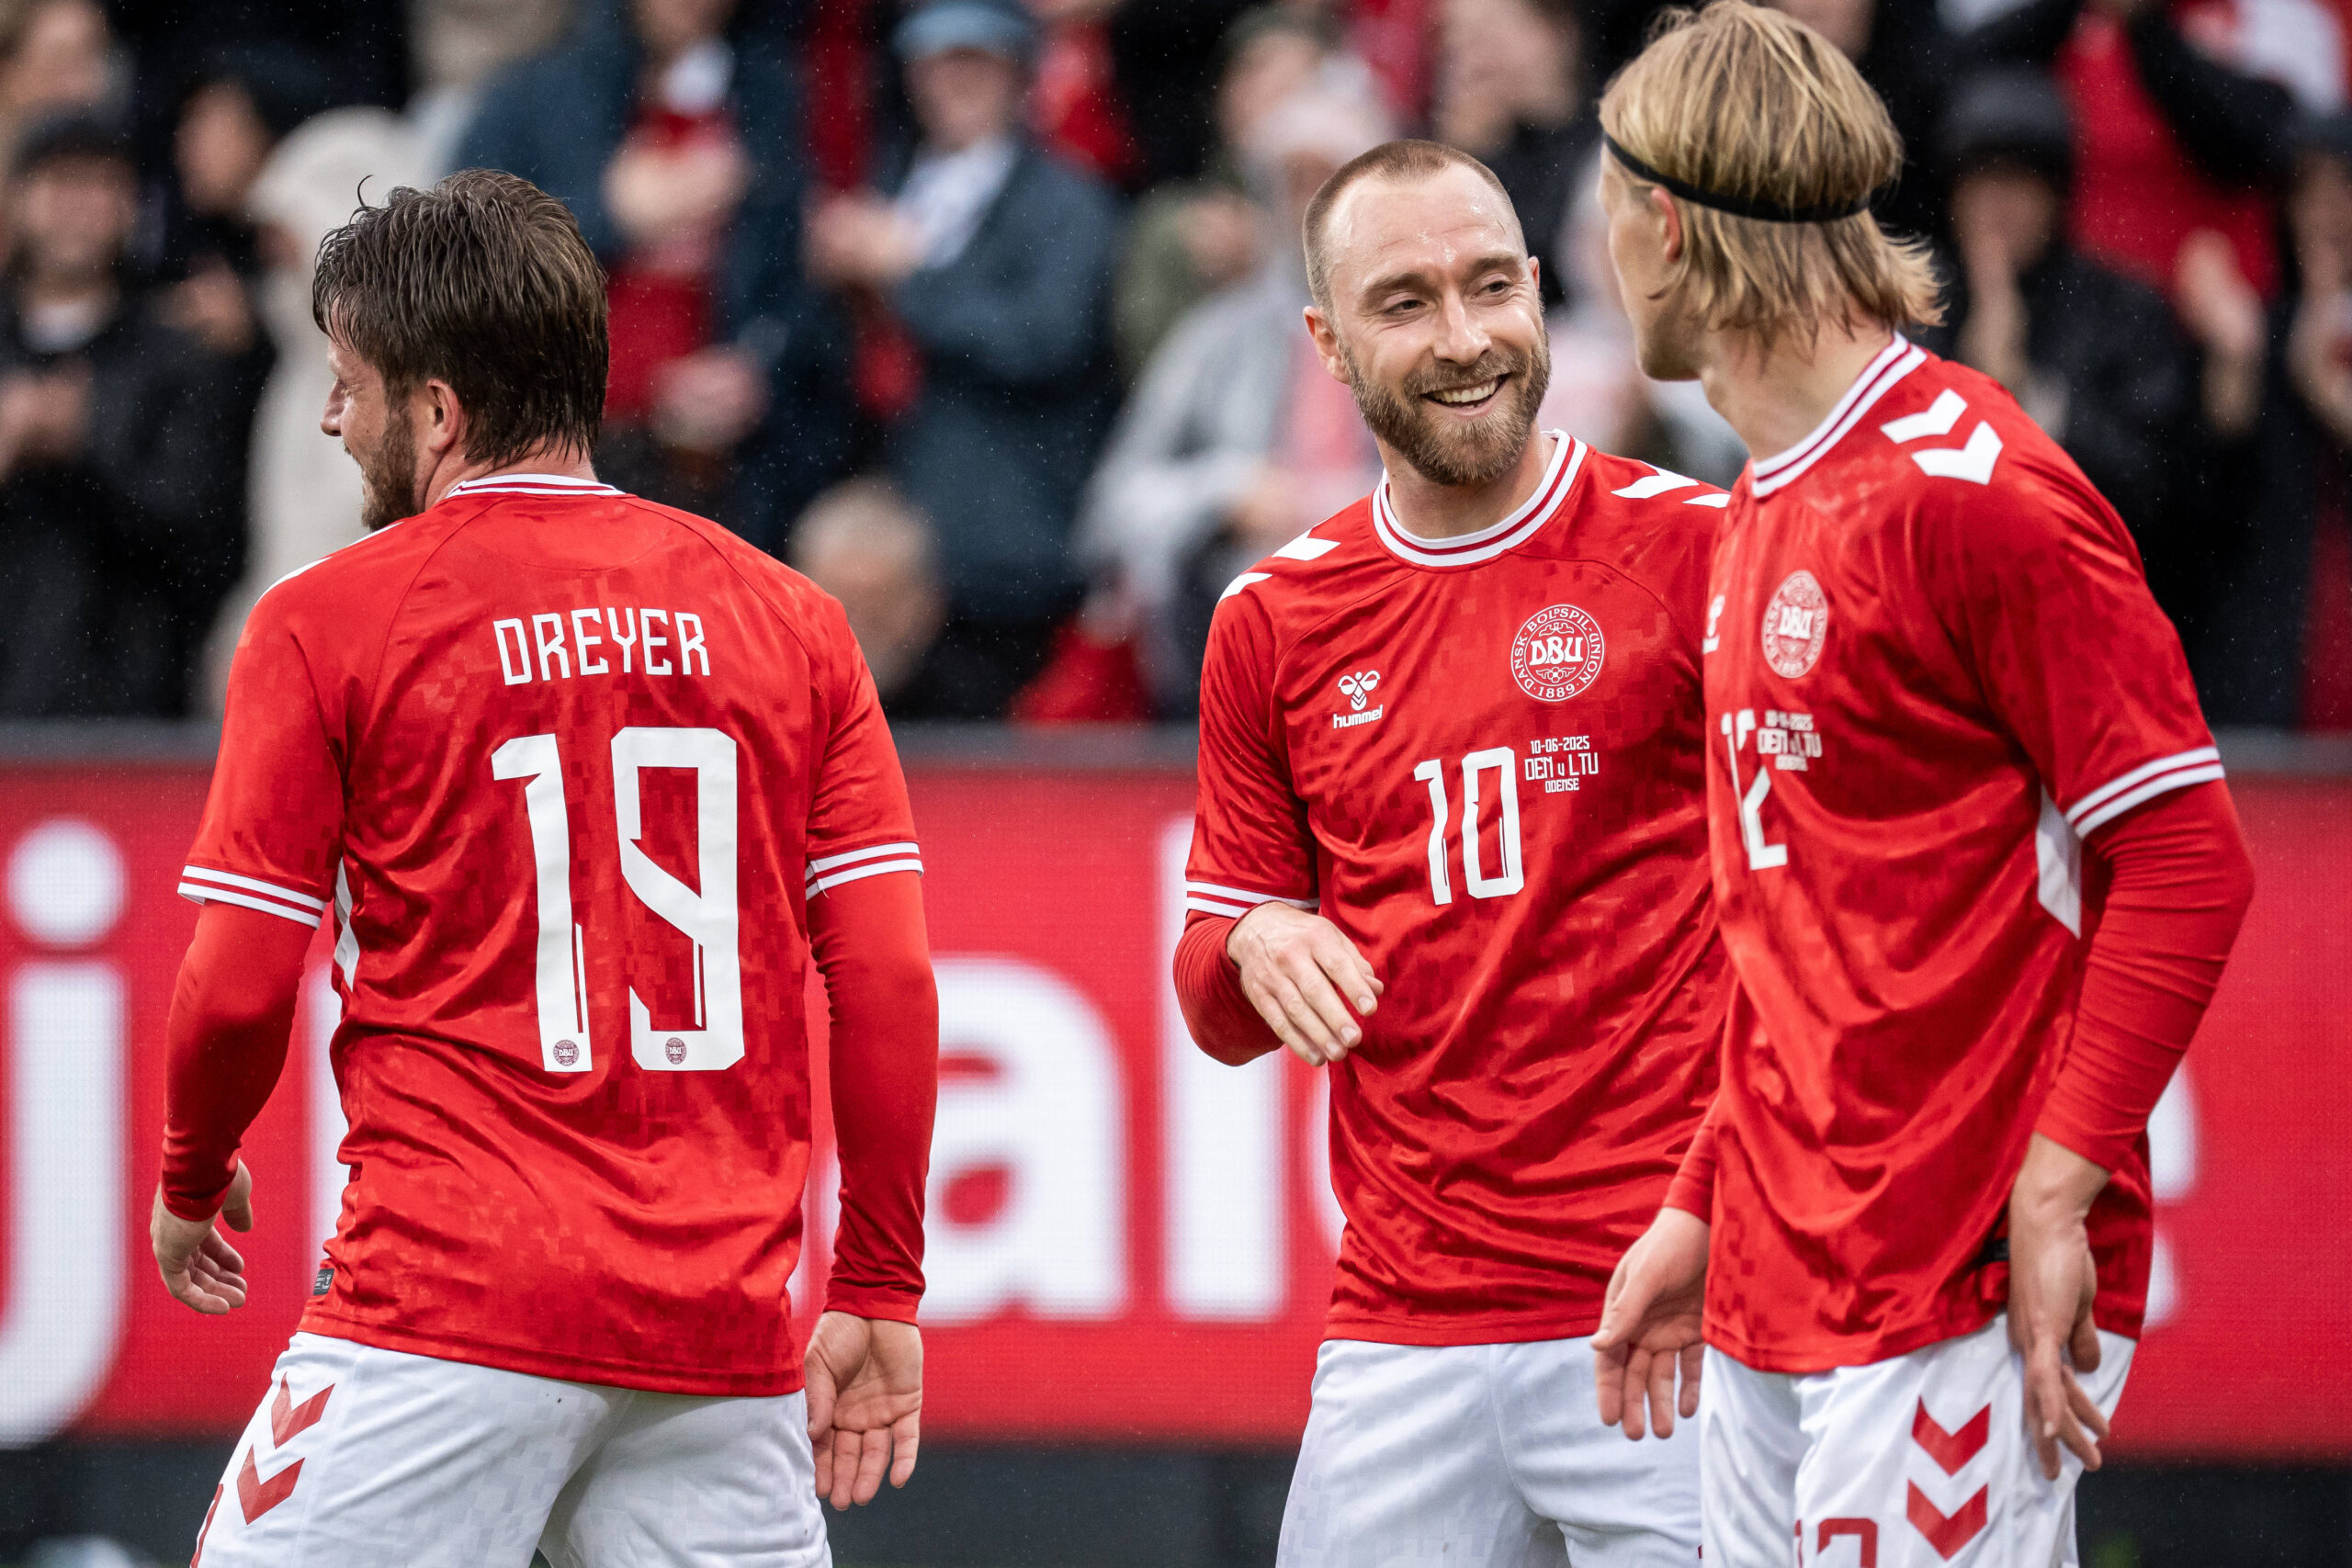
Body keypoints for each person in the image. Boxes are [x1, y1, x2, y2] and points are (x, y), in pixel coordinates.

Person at [152, 170, 939, 1563]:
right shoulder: (798, 621)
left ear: (439, 411)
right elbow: (883, 974)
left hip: (447, 1304)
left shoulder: (326, 620)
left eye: (351, 383)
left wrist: (190, 1162)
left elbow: (235, 982)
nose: (336, 418)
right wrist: (876, 1271)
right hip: (718, 1337)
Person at [1587, 9, 2257, 1565]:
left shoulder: (1981, 499)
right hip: (1772, 1270)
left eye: (1606, 213)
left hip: (1950, 1274)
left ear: (1667, 227)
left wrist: (2055, 1191)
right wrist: (1701, 1197)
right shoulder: (1759, 499)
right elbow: (1789, 933)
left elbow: (2186, 857)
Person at [1174, 138, 1732, 1564]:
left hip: (1671, 1311)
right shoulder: (1273, 622)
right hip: (1403, 1327)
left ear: (1545, 288)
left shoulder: (1703, 553)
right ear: (1328, 342)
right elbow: (1211, 995)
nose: (1466, 336)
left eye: (1492, 286)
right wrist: (1250, 935)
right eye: (1406, 301)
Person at [808, 0, 1122, 718]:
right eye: (938, 61)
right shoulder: (892, 182)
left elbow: (1046, 340)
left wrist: (908, 277)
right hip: (879, 526)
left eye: (976, 59)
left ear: (1017, 72)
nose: (955, 79)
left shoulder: (1068, 201)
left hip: (999, 552)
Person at [459, 0, 848, 550]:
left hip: (714, 464)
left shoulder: (768, 98)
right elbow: (461, 256)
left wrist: (757, 368)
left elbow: (803, 283)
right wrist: (606, 216)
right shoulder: (539, 95)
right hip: (560, 449)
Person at [1079, 77, 1393, 714]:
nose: (1311, 203)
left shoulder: (1423, 332)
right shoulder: (1215, 337)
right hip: (1241, 643)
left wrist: (1344, 507)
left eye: (1330, 178)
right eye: (1293, 182)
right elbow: (1112, 510)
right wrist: (1224, 490)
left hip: (1397, 622)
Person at [1913, 67, 2196, 605]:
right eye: (1981, 179)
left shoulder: (2125, 312)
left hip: (2080, 604)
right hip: (1941, 608)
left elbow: (2156, 494)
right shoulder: (1911, 307)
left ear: (2056, 193)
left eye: (2019, 181)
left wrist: (2024, 396)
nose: (1998, 205)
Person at [0, 114, 249, 717]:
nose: (79, 207)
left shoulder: (179, 356)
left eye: (101, 187)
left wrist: (84, 450)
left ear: (133, 207)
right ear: (20, 199)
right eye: (62, 184)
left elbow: (206, 540)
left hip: (129, 716)